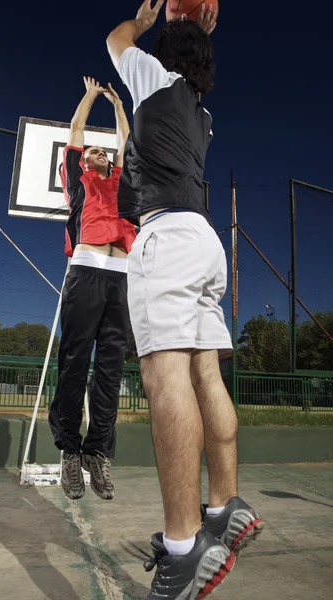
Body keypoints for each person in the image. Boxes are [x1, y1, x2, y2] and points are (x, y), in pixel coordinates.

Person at [106, 2, 264, 598]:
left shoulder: (153, 78)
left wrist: (146, 22)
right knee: (206, 377)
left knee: (163, 378)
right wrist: (196, 27)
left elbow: (114, 38)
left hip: (167, 238)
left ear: (163, 60)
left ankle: (182, 547)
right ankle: (224, 507)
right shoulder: (204, 118)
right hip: (204, 243)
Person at [48, 76, 136, 501]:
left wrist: (119, 105)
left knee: (112, 368)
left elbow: (129, 139)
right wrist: (89, 95)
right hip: (85, 269)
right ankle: (68, 448)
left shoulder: (122, 181)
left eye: (106, 151)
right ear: (84, 162)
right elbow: (77, 132)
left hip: (122, 275)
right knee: (75, 360)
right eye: (94, 151)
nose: (99, 152)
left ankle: (97, 450)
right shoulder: (78, 180)